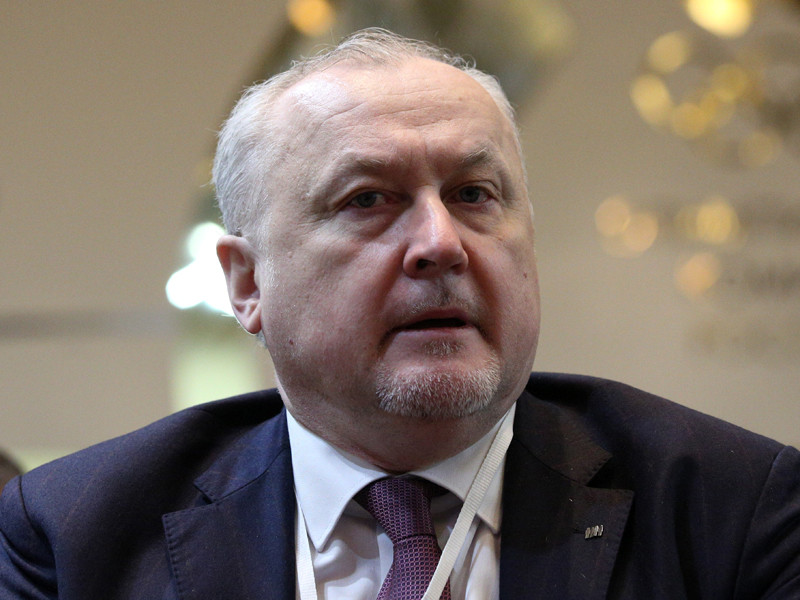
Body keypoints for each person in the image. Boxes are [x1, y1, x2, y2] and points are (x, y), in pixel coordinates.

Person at [1, 28, 798, 600]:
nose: (441, 244)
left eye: (473, 194)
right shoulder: (72, 537)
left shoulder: (732, 508)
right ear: (246, 283)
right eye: (368, 200)